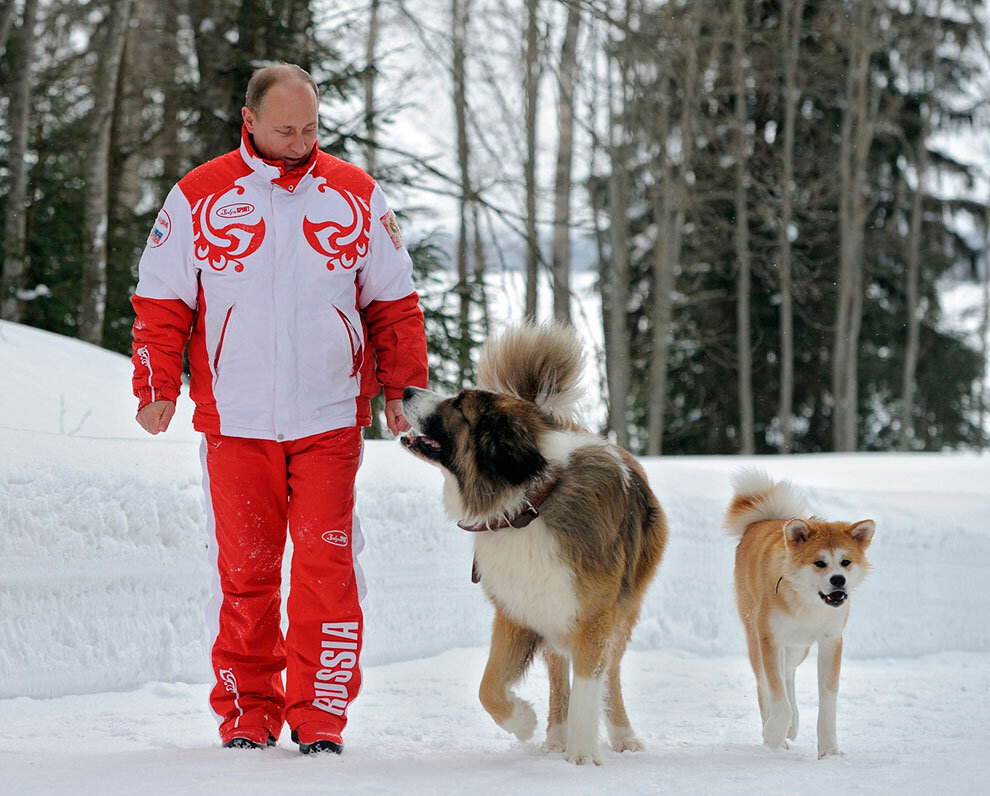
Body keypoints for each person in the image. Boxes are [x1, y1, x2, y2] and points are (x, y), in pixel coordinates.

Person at [130, 63, 428, 755]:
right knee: (246, 575)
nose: (300, 141)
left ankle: (320, 716)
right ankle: (248, 712)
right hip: (236, 422)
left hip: (328, 418)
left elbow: (393, 301)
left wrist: (402, 390)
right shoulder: (199, 196)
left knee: (327, 570)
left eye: (311, 128)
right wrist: (157, 385)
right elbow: (162, 300)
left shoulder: (354, 195)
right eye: (286, 129)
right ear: (251, 122)